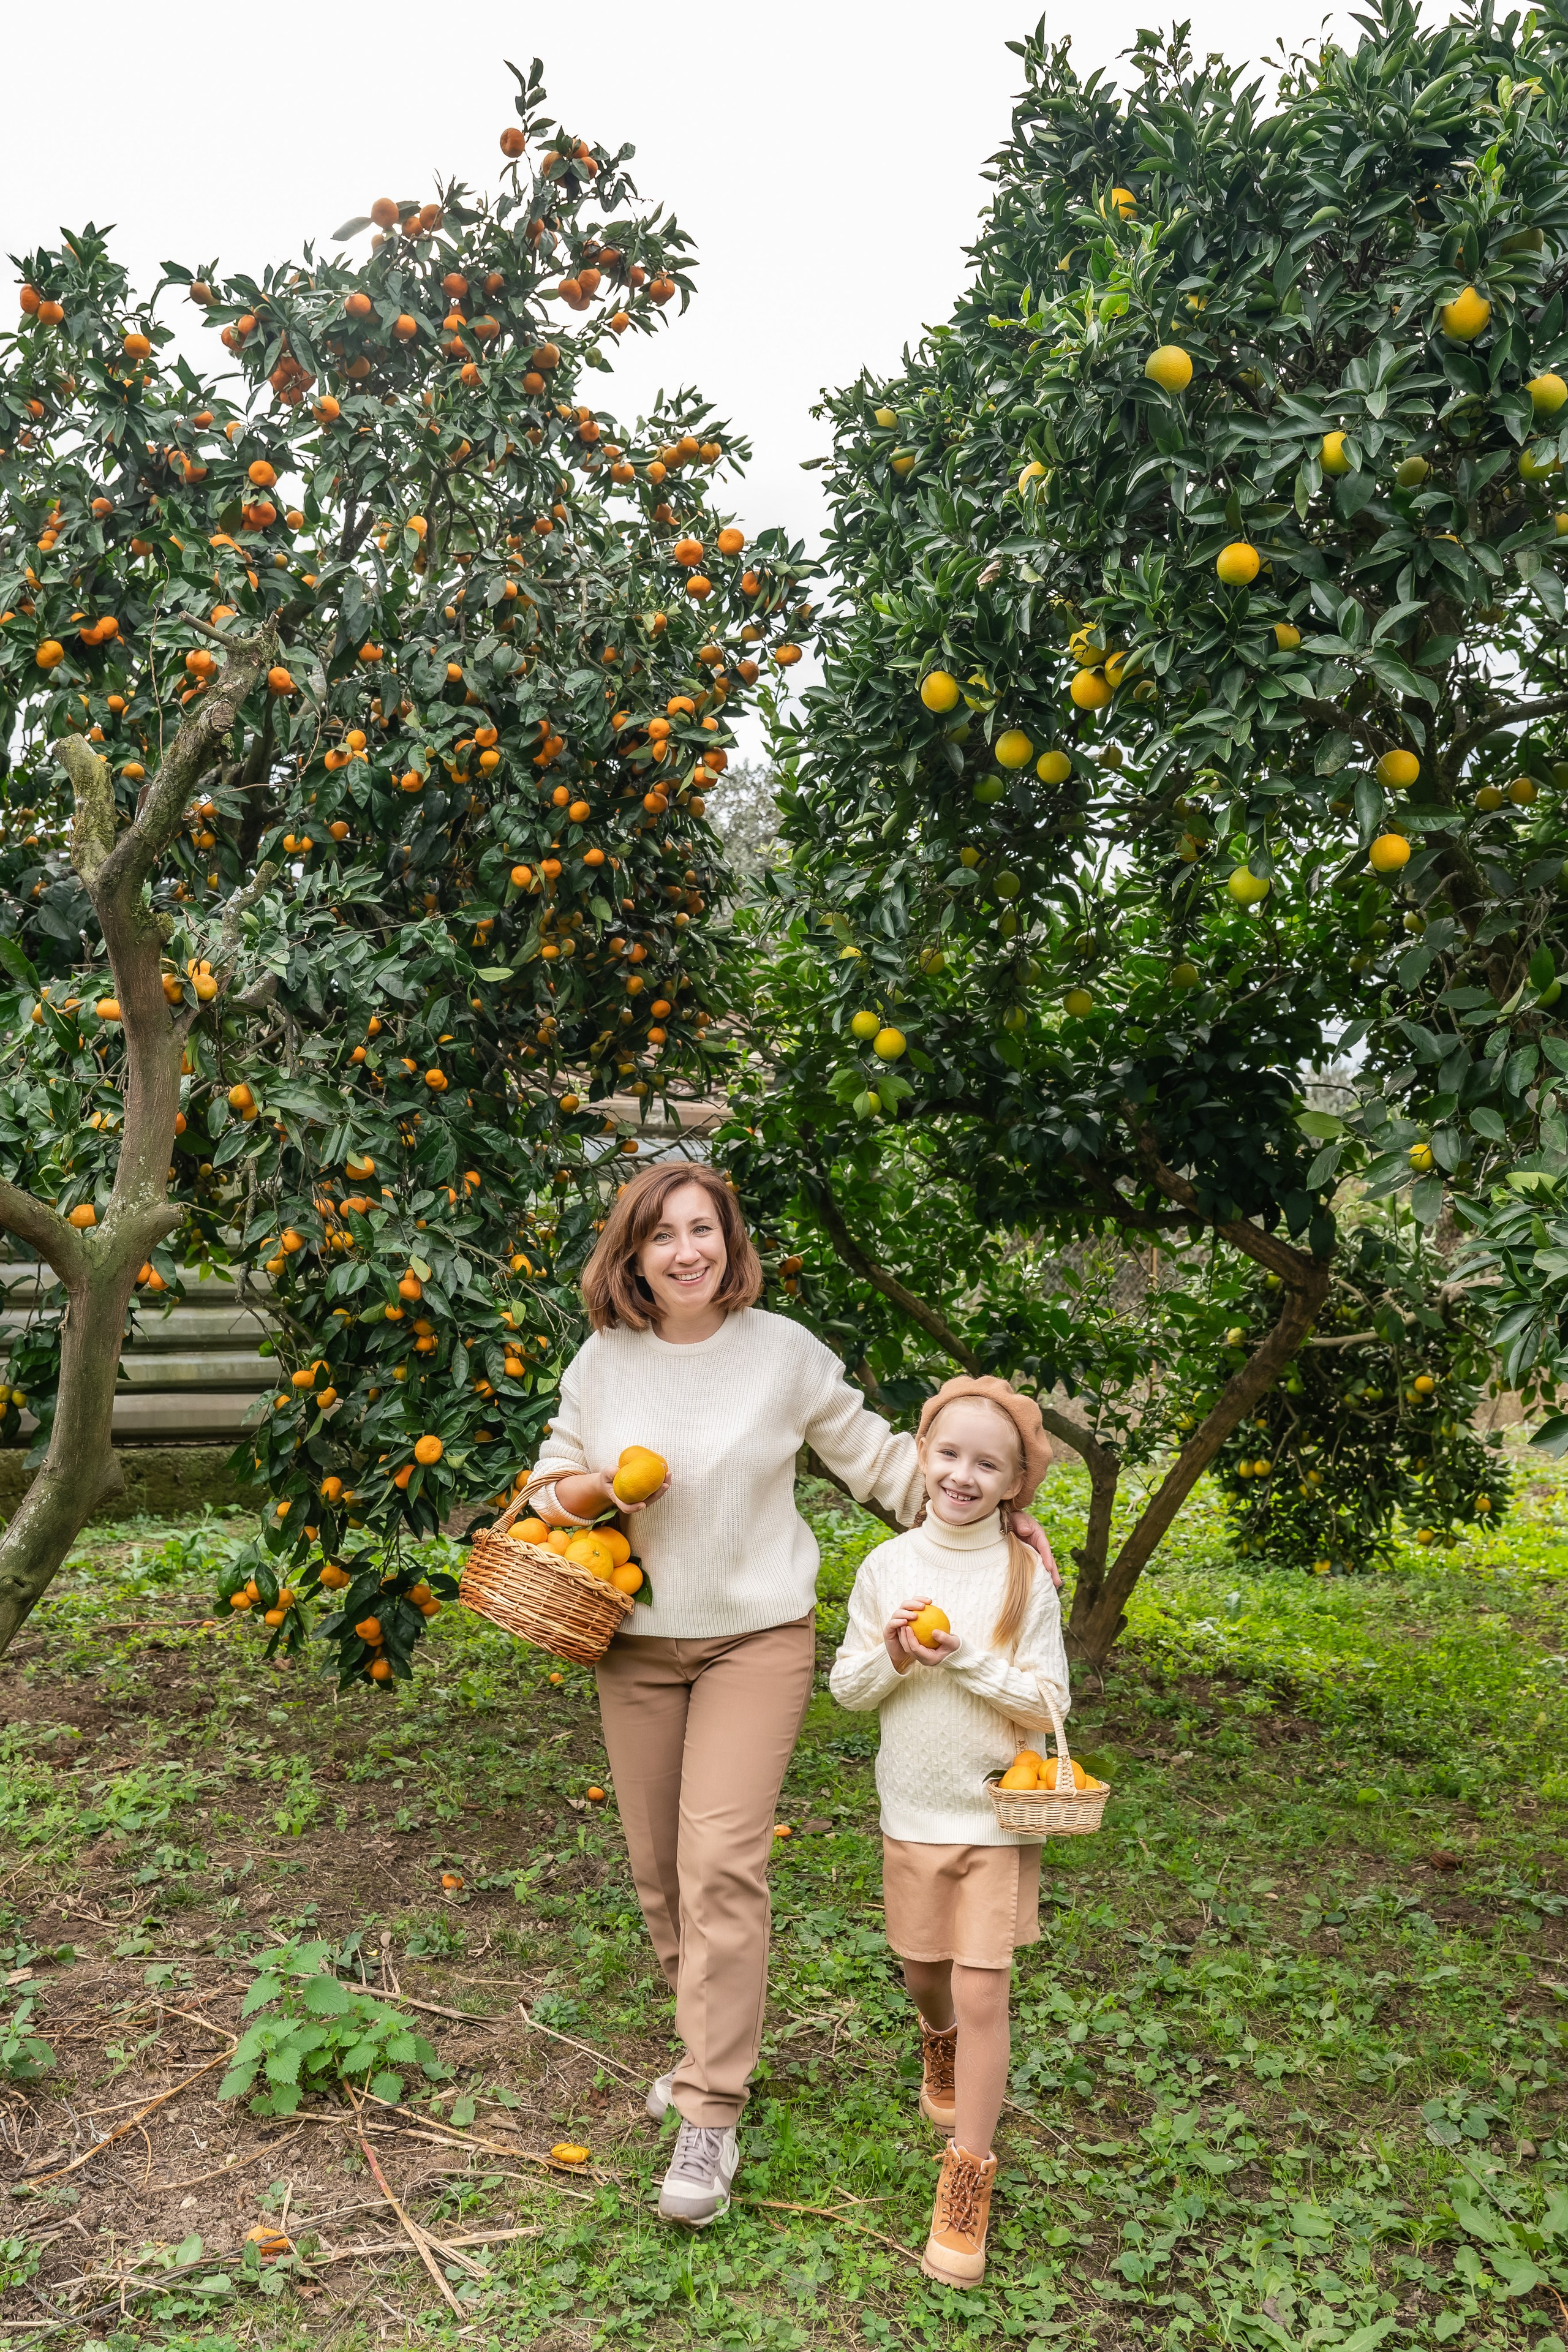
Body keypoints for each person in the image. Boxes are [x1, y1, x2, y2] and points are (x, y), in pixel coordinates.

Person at [524, 1162, 1058, 2226]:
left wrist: (998, 1516)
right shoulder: (602, 1360)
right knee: (660, 1874)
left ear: (731, 1242)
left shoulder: (782, 1352)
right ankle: (707, 2047)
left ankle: (711, 2111)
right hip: (633, 1642)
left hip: (755, 1640)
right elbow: (548, 1487)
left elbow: (887, 1465)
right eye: (663, 1235)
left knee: (722, 1860)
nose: (688, 1251)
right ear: (633, 1256)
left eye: (705, 1230)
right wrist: (605, 1487)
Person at [828, 1374, 1069, 2290]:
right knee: (923, 1968)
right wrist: (894, 1653)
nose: (964, 1475)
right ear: (923, 1455)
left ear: (1016, 1484)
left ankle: (968, 2176)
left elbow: (1049, 1704)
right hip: (912, 1810)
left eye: (989, 1465)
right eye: (950, 1454)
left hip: (996, 1817)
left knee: (984, 1992)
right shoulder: (886, 1569)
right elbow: (847, 1690)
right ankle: (937, 2037)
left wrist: (965, 1657)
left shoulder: (1024, 1576)